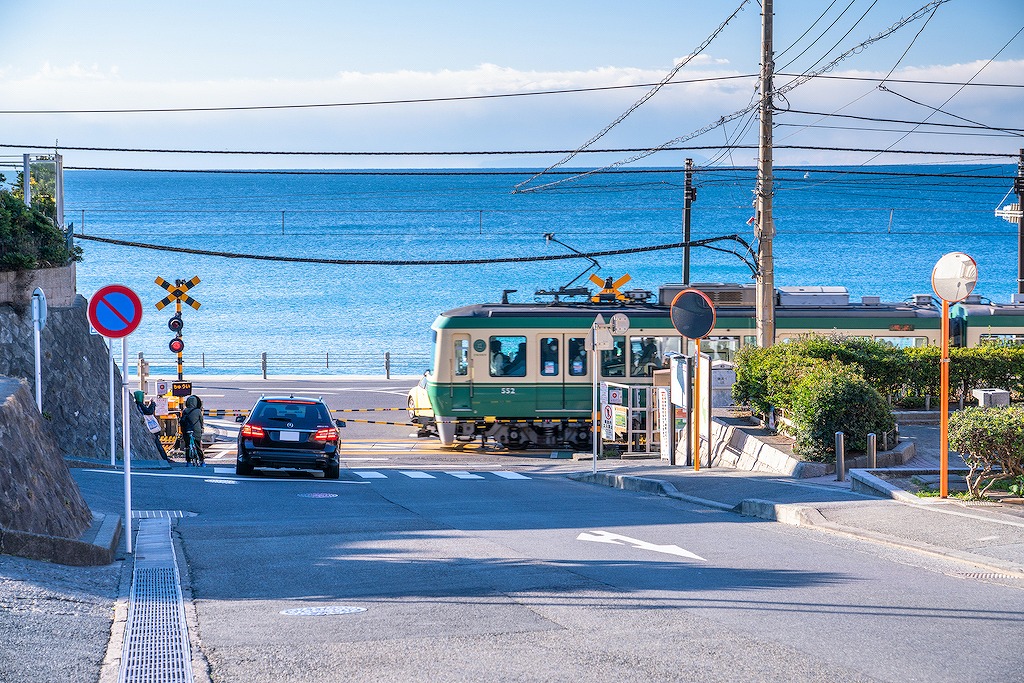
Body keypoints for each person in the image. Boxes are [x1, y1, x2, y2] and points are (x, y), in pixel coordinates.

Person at [134, 390, 169, 461]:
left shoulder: (136, 405)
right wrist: (152, 404)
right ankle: (164, 458)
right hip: (150, 428)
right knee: (157, 443)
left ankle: (164, 457)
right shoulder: (140, 405)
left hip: (147, 427)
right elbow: (149, 412)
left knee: (157, 443)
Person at [178, 394, 205, 465]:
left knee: (187, 446)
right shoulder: (198, 411)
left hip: (186, 430)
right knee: (198, 445)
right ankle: (202, 461)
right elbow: (201, 421)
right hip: (197, 431)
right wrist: (202, 428)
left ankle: (188, 461)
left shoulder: (185, 411)